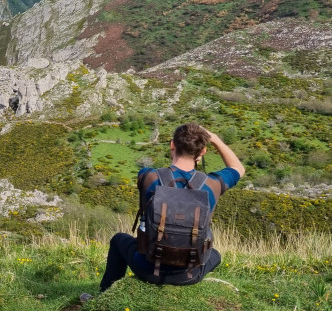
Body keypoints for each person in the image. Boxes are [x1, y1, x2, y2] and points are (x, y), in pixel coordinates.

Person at [81, 123, 244, 301]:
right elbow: (238, 168)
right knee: (215, 255)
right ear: (203, 151)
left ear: (172, 145)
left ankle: (105, 297)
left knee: (119, 239)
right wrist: (216, 140)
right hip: (189, 275)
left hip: (147, 268)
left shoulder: (148, 176)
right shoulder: (213, 185)